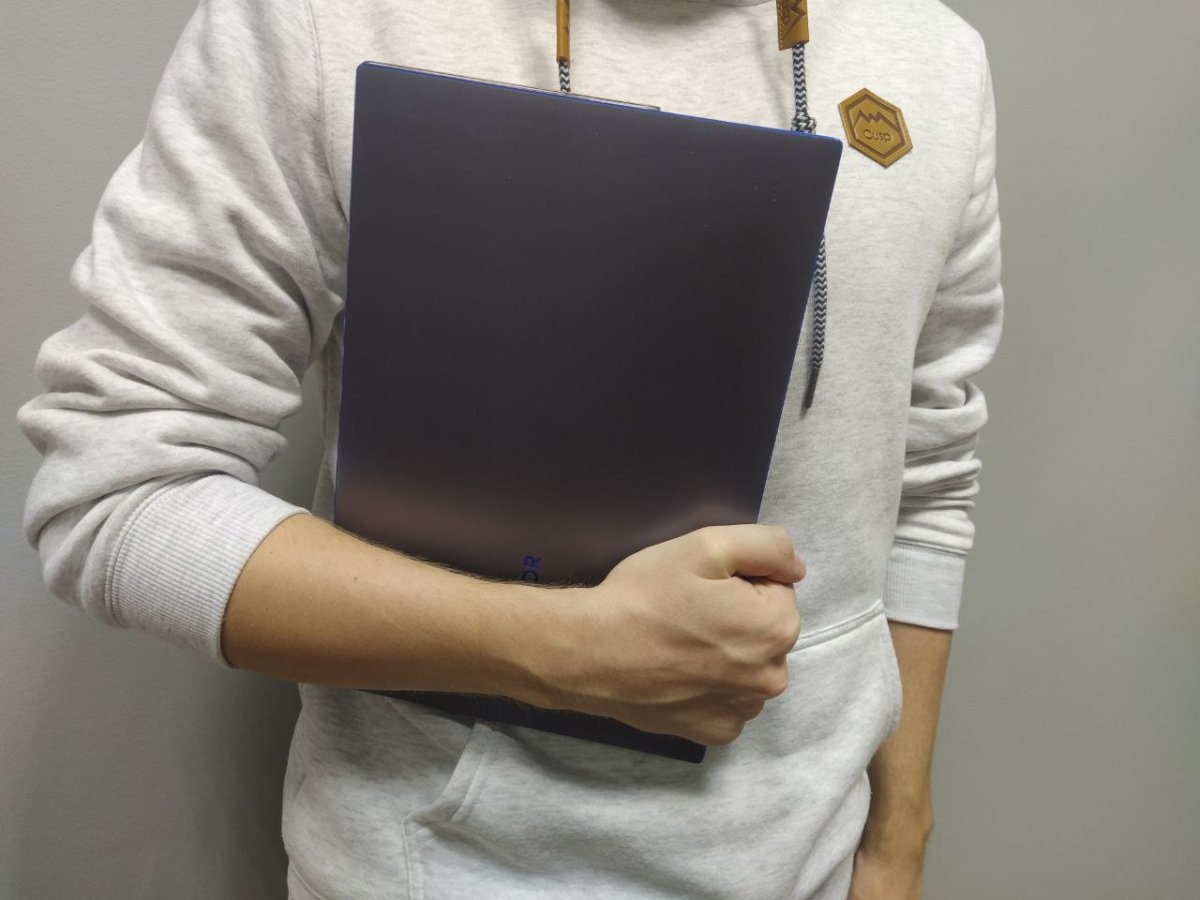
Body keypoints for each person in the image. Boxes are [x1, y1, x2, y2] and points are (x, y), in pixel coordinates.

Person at [18, 0, 1003, 897]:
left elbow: (926, 478)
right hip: (440, 871)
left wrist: (898, 842)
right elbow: (120, 490)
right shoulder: (323, 19)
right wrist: (565, 651)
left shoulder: (937, 60)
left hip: (816, 866)